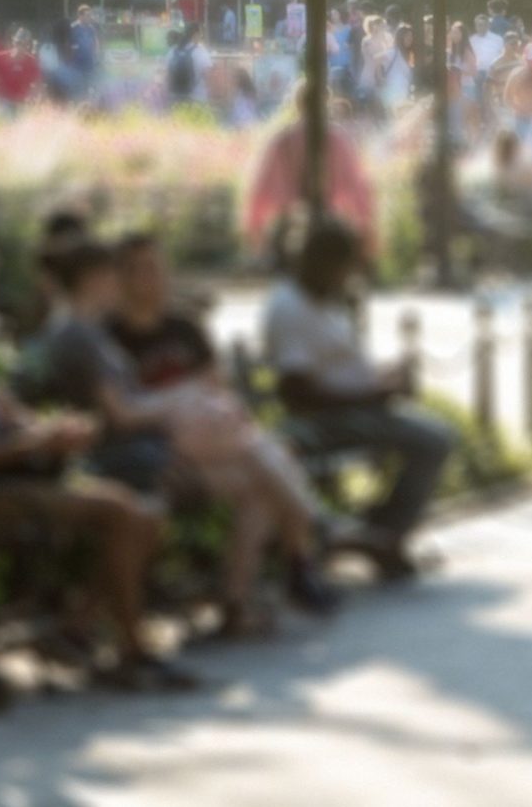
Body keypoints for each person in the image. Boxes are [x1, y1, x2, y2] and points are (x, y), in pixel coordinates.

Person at [40, 241, 335, 631]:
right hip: (145, 456)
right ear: (101, 280)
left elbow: (216, 390)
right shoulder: (89, 335)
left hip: (175, 443)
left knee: (254, 470)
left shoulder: (123, 330)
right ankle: (303, 536)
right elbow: (121, 415)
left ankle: (240, 599)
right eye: (126, 272)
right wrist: (178, 397)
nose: (149, 280)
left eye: (158, 269)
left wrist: (188, 400)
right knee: (256, 459)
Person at [0, 245, 197, 693]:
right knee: (124, 511)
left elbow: (8, 415)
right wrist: (34, 443)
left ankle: (80, 625)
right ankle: (129, 649)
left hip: (18, 474)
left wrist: (51, 428)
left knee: (144, 516)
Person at [263, 220, 458, 578]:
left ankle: (382, 532)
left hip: (361, 406)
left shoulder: (326, 301)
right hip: (329, 419)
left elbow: (340, 365)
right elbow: (298, 393)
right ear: (325, 263)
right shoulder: (291, 307)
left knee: (436, 434)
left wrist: (385, 377)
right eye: (346, 266)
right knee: (434, 440)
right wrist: (374, 393)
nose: (350, 275)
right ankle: (386, 534)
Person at [243, 82, 378, 263]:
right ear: (325, 103)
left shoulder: (282, 142)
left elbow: (261, 192)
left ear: (297, 104)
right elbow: (358, 191)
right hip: (328, 230)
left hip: (289, 230)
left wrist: (256, 233)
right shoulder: (337, 140)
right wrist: (366, 232)